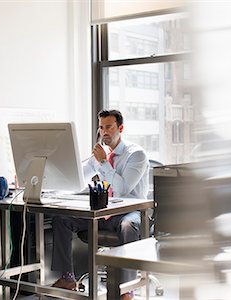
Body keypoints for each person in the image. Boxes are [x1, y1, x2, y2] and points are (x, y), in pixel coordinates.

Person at [51, 109, 149, 300]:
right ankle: (67, 278)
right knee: (61, 218)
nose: (104, 132)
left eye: (109, 127)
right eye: (101, 127)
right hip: (103, 212)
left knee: (129, 226)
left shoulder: (136, 155)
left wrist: (104, 162)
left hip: (128, 212)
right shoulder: (99, 155)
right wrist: (54, 185)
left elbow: (122, 189)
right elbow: (78, 181)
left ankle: (127, 290)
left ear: (120, 128)